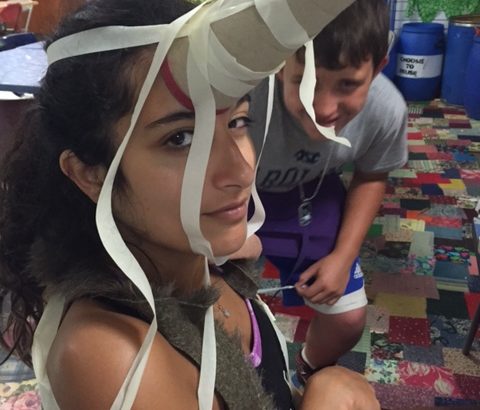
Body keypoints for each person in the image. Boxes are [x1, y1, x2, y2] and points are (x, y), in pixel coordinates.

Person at [0, 0, 381, 408]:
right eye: (180, 138)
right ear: (90, 173)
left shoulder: (198, 256)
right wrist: (324, 396)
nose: (238, 170)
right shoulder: (111, 354)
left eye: (237, 122)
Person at [247, 0, 408, 384]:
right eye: (305, 82)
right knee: (210, 304)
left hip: (313, 195)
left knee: (349, 320)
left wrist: (343, 256)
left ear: (378, 69)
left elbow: (371, 177)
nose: (322, 107)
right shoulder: (246, 93)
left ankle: (307, 369)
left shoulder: (387, 110)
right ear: (281, 64)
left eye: (348, 84)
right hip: (235, 194)